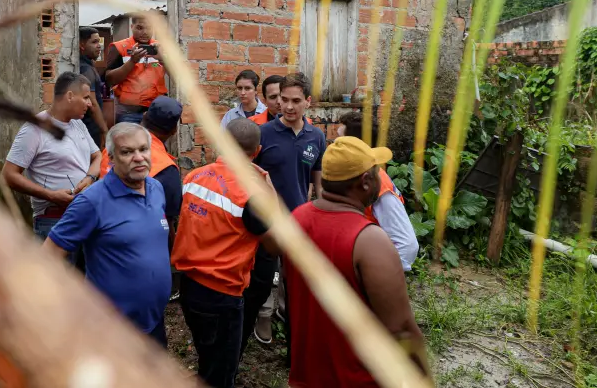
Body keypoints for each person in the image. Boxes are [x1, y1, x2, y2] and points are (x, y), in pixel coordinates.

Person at [285, 137, 431, 387]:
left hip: (307, 377)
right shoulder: (369, 241)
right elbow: (402, 330)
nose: (380, 176)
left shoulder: (296, 219)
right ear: (365, 182)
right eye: (376, 172)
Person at [42, 123, 172, 346]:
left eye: (143, 149)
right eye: (127, 152)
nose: (139, 157)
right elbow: (47, 255)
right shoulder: (92, 201)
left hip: (153, 325)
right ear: (110, 158)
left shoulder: (156, 188)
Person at [172, 119, 276, 388]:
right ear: (257, 151)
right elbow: (275, 243)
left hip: (190, 287)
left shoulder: (194, 176)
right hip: (223, 294)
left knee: (208, 355)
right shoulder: (252, 194)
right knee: (221, 372)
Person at [243, 72, 326, 348]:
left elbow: (317, 177)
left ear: (308, 102)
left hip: (300, 219)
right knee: (264, 275)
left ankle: (286, 314)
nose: (288, 106)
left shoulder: (316, 136)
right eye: (283, 100)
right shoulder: (263, 134)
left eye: (295, 101)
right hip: (267, 222)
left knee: (294, 275)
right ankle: (262, 316)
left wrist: (320, 212)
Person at [3, 72, 102, 246]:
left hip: (84, 217)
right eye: (86, 97)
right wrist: (51, 195)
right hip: (53, 221)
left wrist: (90, 178)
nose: (89, 103)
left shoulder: (78, 124)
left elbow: (97, 156)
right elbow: (9, 175)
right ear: (70, 96)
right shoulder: (35, 129)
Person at [337, 115, 419, 271]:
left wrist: (374, 276)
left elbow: (407, 246)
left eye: (340, 140)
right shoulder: (354, 175)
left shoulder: (378, 186)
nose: (334, 145)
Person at [99, 96, 183, 230]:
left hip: (102, 227)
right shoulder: (167, 169)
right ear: (174, 131)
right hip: (136, 235)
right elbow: (167, 224)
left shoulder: (113, 147)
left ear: (144, 116)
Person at [104, 14, 167, 124]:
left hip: (156, 110)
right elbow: (110, 80)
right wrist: (132, 61)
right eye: (140, 28)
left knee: (155, 141)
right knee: (129, 141)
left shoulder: (160, 48)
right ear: (131, 27)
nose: (145, 32)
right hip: (129, 112)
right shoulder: (119, 47)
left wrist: (163, 60)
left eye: (149, 28)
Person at [78, 26, 108, 148]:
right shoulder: (85, 69)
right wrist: (105, 130)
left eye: (99, 42)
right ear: (82, 45)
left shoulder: (89, 65)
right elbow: (93, 103)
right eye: (94, 42)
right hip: (89, 127)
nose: (99, 46)